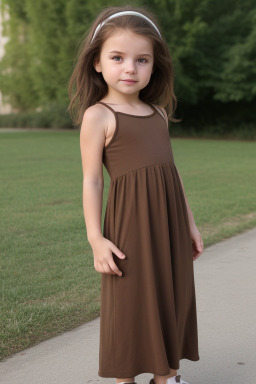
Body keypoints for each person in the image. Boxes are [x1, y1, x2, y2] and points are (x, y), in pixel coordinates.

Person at [68, 5, 204, 384]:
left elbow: (172, 175)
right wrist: (96, 238)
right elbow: (92, 180)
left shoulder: (159, 114)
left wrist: (191, 225)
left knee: (172, 295)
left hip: (170, 224)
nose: (130, 68)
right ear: (97, 63)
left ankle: (167, 375)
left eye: (141, 60)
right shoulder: (99, 116)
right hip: (130, 226)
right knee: (130, 302)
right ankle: (125, 376)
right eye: (118, 57)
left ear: (153, 66)